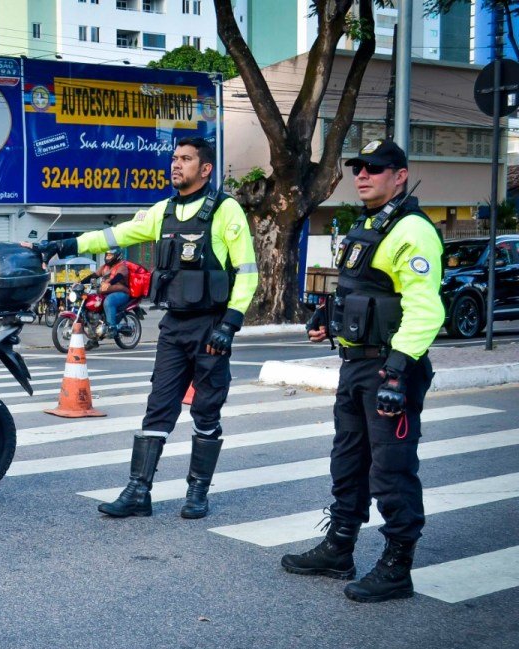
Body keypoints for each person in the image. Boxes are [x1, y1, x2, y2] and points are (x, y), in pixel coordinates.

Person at [32, 137, 258, 520]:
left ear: (205, 169)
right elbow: (114, 235)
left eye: (186, 159)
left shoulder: (224, 209)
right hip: (174, 325)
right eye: (174, 158)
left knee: (206, 410)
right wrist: (65, 243)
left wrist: (231, 324)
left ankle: (197, 493)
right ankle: (139, 492)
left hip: (210, 326)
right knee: (158, 407)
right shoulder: (163, 211)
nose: (176, 165)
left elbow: (247, 272)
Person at [282, 140, 444, 603]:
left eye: (375, 168)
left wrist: (397, 372)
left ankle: (397, 566)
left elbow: (424, 310)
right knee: (348, 463)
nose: (363, 175)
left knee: (392, 470)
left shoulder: (413, 230)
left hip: (390, 370)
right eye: (358, 168)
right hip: (355, 366)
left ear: (400, 175)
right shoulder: (368, 225)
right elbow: (362, 291)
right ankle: (340, 548)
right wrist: (327, 318)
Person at [90, 250, 131, 337]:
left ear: (116, 256)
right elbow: (94, 275)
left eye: (110, 255)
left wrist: (109, 283)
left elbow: (118, 276)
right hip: (106, 292)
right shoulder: (105, 267)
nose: (108, 257)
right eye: (107, 255)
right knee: (93, 302)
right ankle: (95, 333)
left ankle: (112, 328)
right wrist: (79, 282)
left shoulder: (122, 266)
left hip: (121, 293)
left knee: (109, 302)